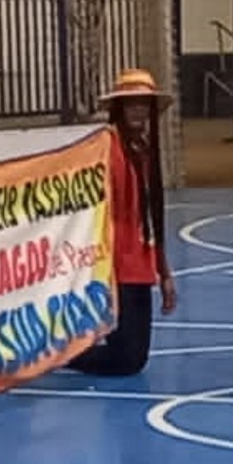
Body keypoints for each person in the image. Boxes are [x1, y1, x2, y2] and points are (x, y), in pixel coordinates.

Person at [67, 69, 177, 377]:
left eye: (144, 104)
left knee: (135, 359)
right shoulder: (104, 147)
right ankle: (67, 355)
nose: (139, 110)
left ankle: (74, 351)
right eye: (132, 104)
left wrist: (164, 272)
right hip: (114, 264)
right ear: (119, 108)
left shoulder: (143, 150)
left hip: (140, 263)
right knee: (126, 360)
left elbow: (152, 218)